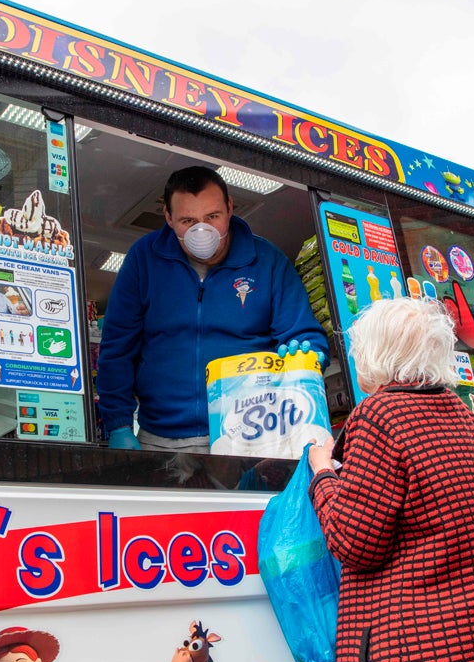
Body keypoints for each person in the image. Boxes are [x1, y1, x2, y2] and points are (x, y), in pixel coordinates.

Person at [308, 298, 474, 662]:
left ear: (375, 353)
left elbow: (354, 542)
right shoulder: (462, 416)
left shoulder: (380, 416)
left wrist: (323, 474)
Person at [97, 165, 328, 451]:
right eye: (187, 221)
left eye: (212, 217)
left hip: (251, 435)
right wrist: (118, 424)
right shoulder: (143, 259)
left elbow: (306, 335)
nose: (201, 230)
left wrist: (306, 353)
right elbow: (117, 346)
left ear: (230, 208)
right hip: (160, 438)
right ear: (168, 218)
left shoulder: (267, 262)